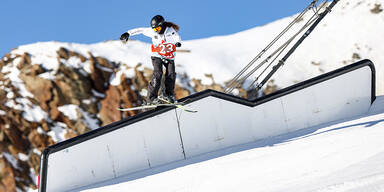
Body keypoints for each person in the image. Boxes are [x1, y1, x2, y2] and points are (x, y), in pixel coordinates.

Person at [120, 15, 182, 104]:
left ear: (163, 25)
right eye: (155, 29)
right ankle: (151, 98)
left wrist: (177, 43)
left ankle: (168, 95)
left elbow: (177, 37)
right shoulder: (152, 31)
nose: (157, 30)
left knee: (171, 74)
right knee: (158, 73)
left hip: (168, 55)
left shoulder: (170, 30)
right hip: (156, 55)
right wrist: (128, 33)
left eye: (158, 28)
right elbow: (140, 30)